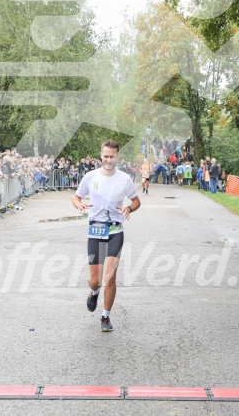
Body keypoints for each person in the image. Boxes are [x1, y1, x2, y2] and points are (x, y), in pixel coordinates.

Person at [72, 140, 140, 332]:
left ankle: (105, 316)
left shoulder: (124, 179)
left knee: (110, 277)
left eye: (112, 156)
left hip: (115, 231)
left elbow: (136, 201)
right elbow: (76, 197)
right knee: (96, 280)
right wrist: (79, 204)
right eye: (106, 156)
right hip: (95, 230)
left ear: (117, 156)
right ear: (101, 155)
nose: (109, 160)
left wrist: (128, 208)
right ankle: (94, 292)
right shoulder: (90, 177)